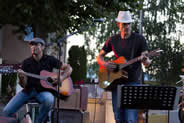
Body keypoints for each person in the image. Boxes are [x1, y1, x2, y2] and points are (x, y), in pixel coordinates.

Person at [96, 11, 151, 123]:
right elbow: (99, 57)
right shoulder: (113, 39)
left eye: (129, 24)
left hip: (133, 81)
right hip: (116, 82)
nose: (127, 26)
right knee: (118, 116)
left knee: (130, 117)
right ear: (118, 24)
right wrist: (105, 64)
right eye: (124, 24)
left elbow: (147, 62)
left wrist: (145, 60)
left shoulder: (139, 39)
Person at [3, 38, 73, 123]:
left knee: (49, 100)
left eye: (36, 44)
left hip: (43, 91)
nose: (33, 47)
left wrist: (61, 78)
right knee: (6, 112)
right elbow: (23, 85)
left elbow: (69, 68)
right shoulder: (26, 63)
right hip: (28, 91)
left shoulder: (50, 59)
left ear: (43, 47)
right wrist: (22, 78)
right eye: (32, 45)